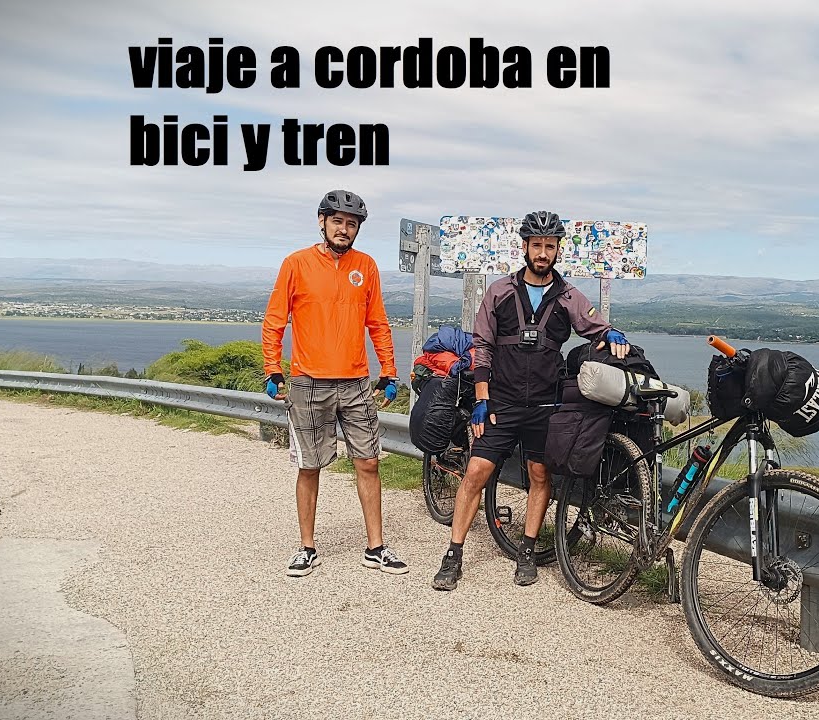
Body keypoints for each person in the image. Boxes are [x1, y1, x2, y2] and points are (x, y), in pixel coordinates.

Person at [431, 210, 630, 590]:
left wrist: (613, 334)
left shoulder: (568, 295)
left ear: (557, 251)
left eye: (549, 247)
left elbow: (594, 326)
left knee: (540, 476)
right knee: (475, 473)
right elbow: (482, 346)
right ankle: (453, 554)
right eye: (536, 245)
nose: (542, 253)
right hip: (501, 403)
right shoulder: (500, 292)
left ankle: (527, 550)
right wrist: (482, 400)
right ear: (524, 247)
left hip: (544, 406)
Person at [262, 189, 407, 578]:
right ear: (322, 221)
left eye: (352, 224)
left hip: (357, 381)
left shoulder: (367, 266)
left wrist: (389, 372)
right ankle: (306, 547)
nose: (345, 229)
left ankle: (376, 547)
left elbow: (378, 323)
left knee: (369, 462)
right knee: (310, 466)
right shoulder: (296, 263)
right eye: (338, 221)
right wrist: (272, 369)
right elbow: (275, 320)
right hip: (308, 382)